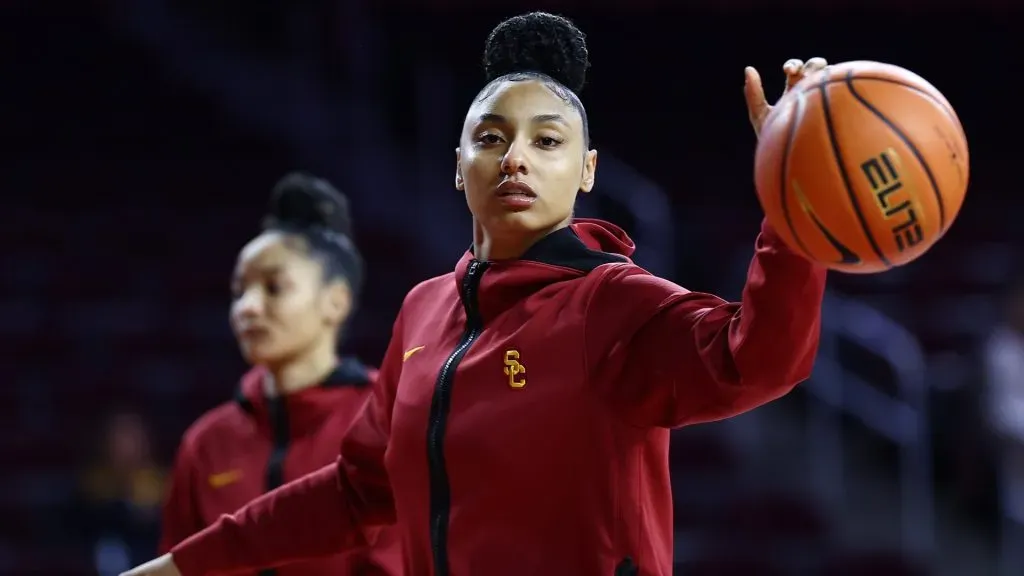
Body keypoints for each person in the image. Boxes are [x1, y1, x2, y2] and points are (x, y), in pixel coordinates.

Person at [122, 12, 828, 576]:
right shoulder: (423, 309)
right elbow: (356, 490)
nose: (515, 156)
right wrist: (187, 565)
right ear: (459, 167)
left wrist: (794, 195)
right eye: (491, 137)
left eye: (546, 142)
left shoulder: (612, 301)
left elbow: (760, 358)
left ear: (587, 172)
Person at [155, 173, 402, 576]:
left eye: (273, 287)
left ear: (335, 301)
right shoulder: (205, 443)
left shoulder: (387, 419)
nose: (247, 307)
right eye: (239, 291)